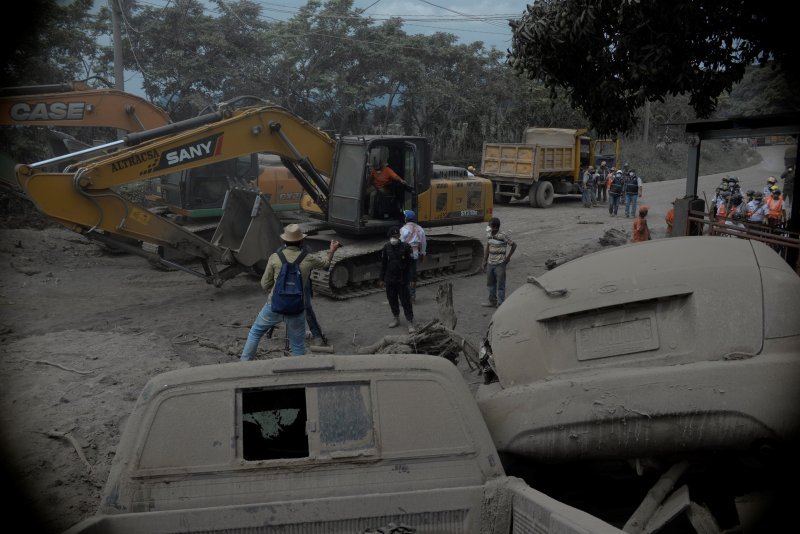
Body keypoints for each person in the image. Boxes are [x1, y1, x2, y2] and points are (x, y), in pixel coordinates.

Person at [241, 224, 340, 360]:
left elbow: (264, 284)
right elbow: (326, 264)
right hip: (296, 309)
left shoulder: (275, 257)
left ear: (284, 241)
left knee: (255, 333)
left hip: (274, 307)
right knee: (298, 345)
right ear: (301, 241)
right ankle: (298, 372)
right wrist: (331, 251)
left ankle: (244, 364)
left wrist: (276, 287)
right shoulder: (308, 258)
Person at [380, 226, 416, 333]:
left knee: (405, 300)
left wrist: (412, 278)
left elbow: (411, 265)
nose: (394, 238)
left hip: (402, 279)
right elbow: (383, 264)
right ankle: (396, 318)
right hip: (390, 279)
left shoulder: (406, 247)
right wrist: (381, 279)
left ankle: (409, 321)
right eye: (392, 237)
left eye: (396, 236)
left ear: (399, 236)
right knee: (392, 299)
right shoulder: (386, 247)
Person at [481, 217, 516, 308]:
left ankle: (500, 304)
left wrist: (508, 258)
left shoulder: (502, 235)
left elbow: (514, 245)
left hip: (500, 264)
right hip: (490, 264)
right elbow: (487, 247)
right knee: (490, 284)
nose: (488, 227)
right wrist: (484, 261)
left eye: (489, 225)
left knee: (500, 285)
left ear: (495, 227)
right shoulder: (489, 234)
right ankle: (492, 301)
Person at [400, 209, 427, 303]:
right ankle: (412, 295)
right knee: (412, 274)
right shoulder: (420, 229)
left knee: (404, 274)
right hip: (415, 254)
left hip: (404, 255)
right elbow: (423, 243)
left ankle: (404, 295)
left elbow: (401, 243)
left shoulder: (403, 229)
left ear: (406, 218)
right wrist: (423, 253)